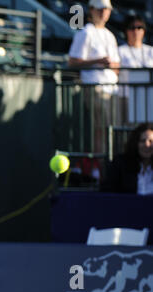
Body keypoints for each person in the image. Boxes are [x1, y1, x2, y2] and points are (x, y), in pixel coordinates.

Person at [68, 0, 121, 154]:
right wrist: (98, 61)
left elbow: (116, 65)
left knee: (110, 128)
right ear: (91, 10)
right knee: (101, 128)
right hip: (95, 88)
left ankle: (108, 162)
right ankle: (100, 163)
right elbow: (72, 62)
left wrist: (111, 65)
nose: (104, 13)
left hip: (112, 90)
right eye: (100, 9)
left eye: (106, 9)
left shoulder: (110, 35)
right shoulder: (85, 33)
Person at [118, 15, 153, 123]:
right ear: (126, 31)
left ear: (144, 31)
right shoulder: (120, 51)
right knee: (129, 128)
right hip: (127, 96)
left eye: (139, 27)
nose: (135, 31)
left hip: (149, 96)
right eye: (132, 28)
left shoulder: (150, 50)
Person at [100, 123, 153, 194]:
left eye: (151, 141)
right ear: (135, 143)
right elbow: (107, 191)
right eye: (142, 141)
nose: (147, 145)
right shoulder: (120, 164)